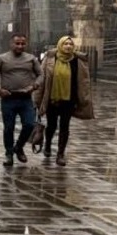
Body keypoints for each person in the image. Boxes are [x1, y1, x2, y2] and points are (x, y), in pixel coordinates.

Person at [34, 35, 94, 166]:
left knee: (65, 126)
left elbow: (83, 81)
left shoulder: (78, 61)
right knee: (51, 125)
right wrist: (37, 99)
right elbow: (42, 79)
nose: (68, 46)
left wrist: (84, 99)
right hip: (52, 99)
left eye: (71, 44)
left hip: (69, 99)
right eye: (66, 44)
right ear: (60, 45)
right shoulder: (50, 59)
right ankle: (48, 145)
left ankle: (60, 154)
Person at [0, 33, 43, 167]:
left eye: (23, 43)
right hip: (8, 99)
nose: (20, 46)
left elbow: (41, 74)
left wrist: (34, 85)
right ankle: (9, 154)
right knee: (9, 128)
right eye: (17, 43)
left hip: (25, 99)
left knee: (29, 124)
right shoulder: (2, 59)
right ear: (11, 44)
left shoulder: (31, 59)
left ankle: (18, 147)